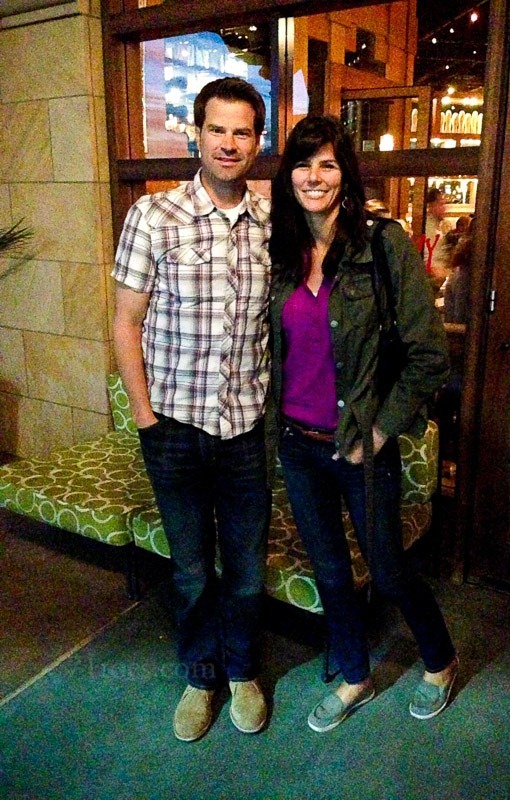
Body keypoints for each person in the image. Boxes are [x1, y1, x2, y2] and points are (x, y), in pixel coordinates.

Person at [269, 115, 458, 732]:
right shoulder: (281, 251)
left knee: (389, 569)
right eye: (303, 164)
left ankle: (440, 660)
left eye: (327, 164)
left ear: (345, 174)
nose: (314, 176)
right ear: (288, 176)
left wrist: (377, 433)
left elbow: (430, 355)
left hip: (360, 445)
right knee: (328, 571)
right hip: (298, 444)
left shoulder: (381, 244)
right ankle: (355, 676)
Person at [112, 77, 271, 742]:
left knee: (246, 569)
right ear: (197, 135)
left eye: (242, 131)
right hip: (173, 426)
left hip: (247, 429)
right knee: (190, 568)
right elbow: (125, 323)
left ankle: (243, 672)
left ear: (257, 142)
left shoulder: (272, 223)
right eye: (217, 129)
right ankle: (201, 677)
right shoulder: (154, 215)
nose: (229, 143)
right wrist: (145, 419)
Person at [421, 187, 452, 289]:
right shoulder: (427, 227)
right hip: (429, 282)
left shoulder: (439, 226)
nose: (445, 208)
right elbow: (428, 259)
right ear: (432, 205)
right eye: (441, 204)